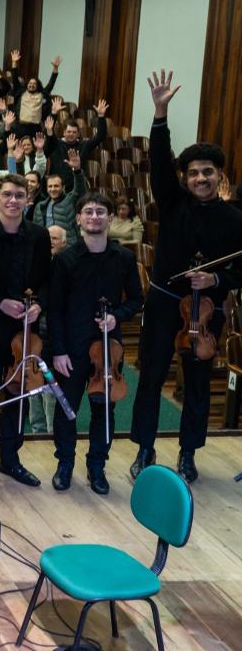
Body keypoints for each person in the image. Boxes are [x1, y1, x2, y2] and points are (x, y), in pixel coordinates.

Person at [130, 71, 242, 483]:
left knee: (197, 384)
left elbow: (239, 271)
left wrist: (217, 281)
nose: (200, 179)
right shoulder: (172, 201)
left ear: (219, 176)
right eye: (193, 173)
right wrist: (160, 114)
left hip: (206, 311)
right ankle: (144, 447)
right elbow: (160, 161)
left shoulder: (235, 219)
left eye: (207, 172)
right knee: (151, 377)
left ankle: (188, 452)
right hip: (164, 303)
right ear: (185, 177)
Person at [46, 191, 143, 495]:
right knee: (67, 410)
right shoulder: (65, 260)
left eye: (101, 212)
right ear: (78, 218)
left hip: (108, 349)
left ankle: (97, 466)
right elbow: (55, 309)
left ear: (110, 218)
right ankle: (64, 464)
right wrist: (59, 350)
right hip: (73, 347)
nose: (94, 217)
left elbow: (136, 300)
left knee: (104, 411)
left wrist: (116, 316)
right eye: (88, 211)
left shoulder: (124, 258)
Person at [0, 173, 52, 489]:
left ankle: (11, 460)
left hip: (25, 329)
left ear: (27, 200)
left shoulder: (39, 236)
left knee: (19, 394)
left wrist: (39, 305)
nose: (13, 200)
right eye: (7, 195)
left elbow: (47, 280)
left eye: (19, 195)